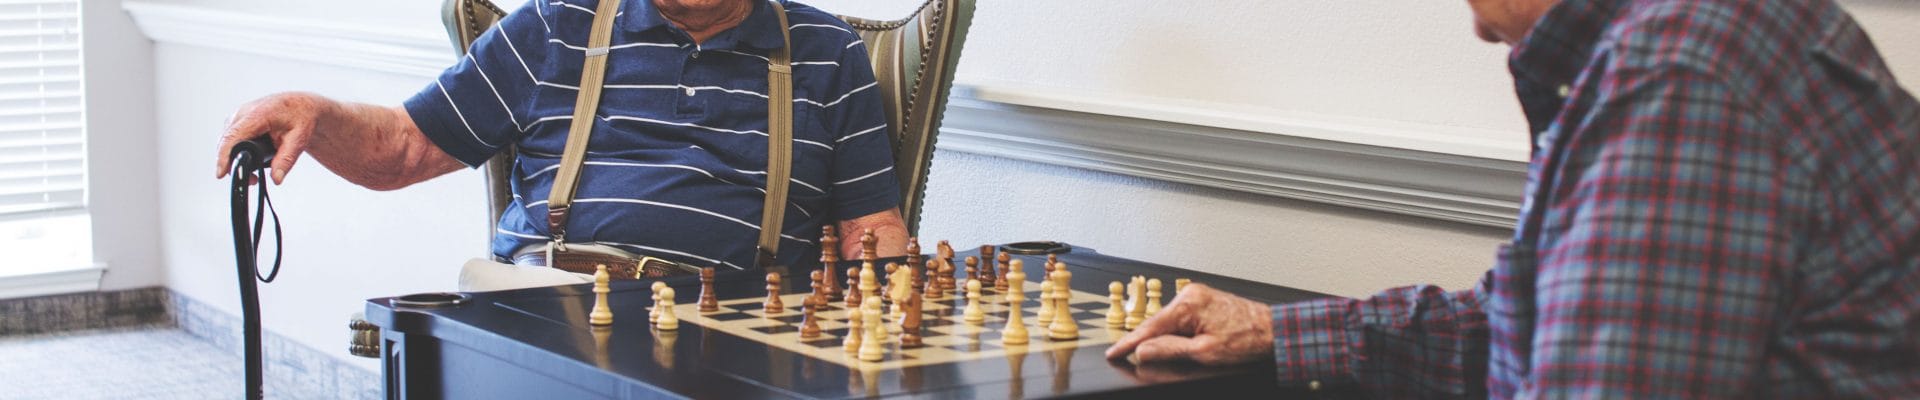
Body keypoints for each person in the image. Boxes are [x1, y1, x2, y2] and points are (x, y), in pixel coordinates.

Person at [1108, 0, 1920, 397]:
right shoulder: (1722, 30)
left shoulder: (1678, 79)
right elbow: (1524, 324)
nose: (1477, 29)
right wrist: (1277, 328)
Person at [212, 0, 908, 272]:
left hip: (726, 332)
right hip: (547, 306)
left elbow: (869, 233)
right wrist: (316, 112)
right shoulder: (556, 25)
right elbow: (402, 147)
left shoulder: (826, 50)